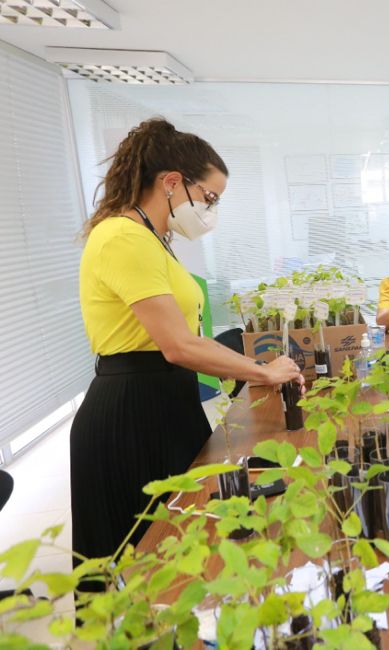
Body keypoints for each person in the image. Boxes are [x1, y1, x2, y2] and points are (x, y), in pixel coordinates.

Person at [73, 118, 304, 582]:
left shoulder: (154, 239)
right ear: (172, 182)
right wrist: (263, 371)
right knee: (144, 564)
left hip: (165, 401)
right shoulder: (123, 237)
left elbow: (187, 338)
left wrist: (255, 368)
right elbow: (178, 345)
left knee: (183, 545)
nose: (210, 209)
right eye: (209, 197)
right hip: (132, 414)